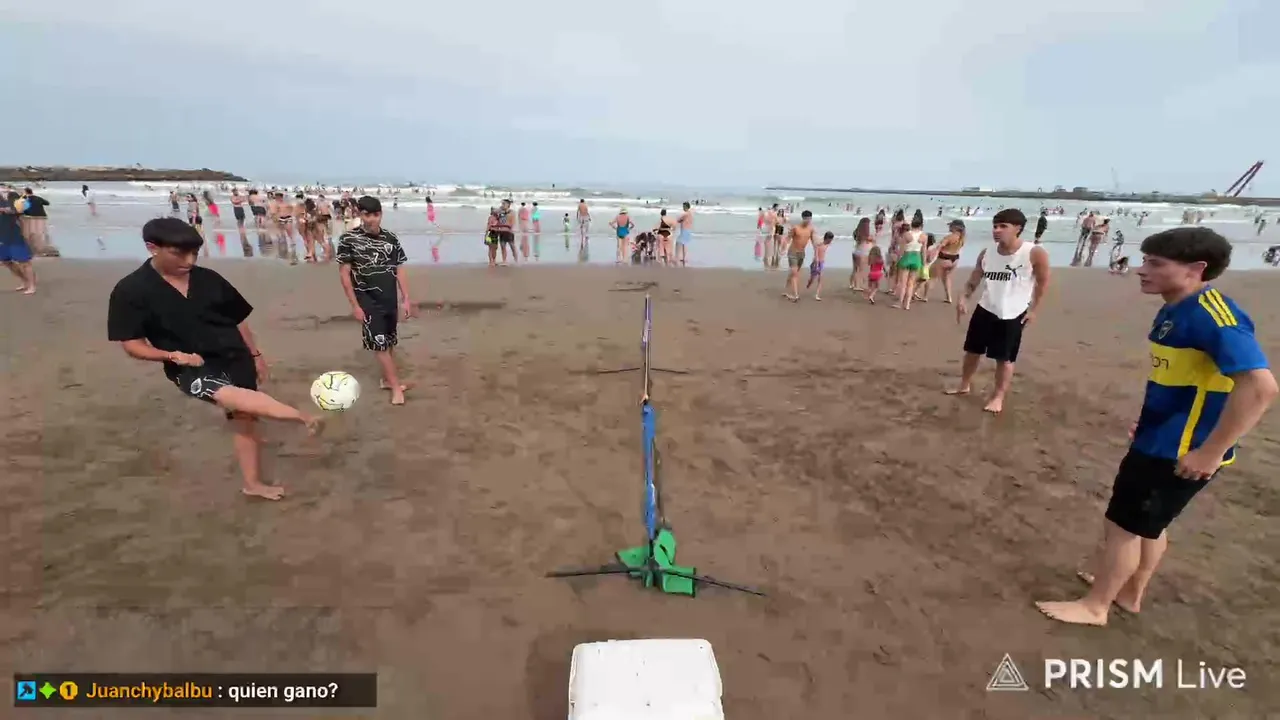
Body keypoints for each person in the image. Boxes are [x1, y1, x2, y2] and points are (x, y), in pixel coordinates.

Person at [1036, 227, 1277, 626]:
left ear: (1195, 269)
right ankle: (1129, 592)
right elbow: (1187, 379)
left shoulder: (1214, 316)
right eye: (1144, 260)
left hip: (1180, 451)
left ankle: (1096, 606)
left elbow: (1260, 387)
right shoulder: (1175, 308)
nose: (1140, 270)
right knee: (1148, 526)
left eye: (1155, 263)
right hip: (1162, 436)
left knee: (1122, 527)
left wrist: (1211, 451)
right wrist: (1154, 419)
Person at [106, 217, 323, 501]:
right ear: (152, 248)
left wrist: (256, 355)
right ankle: (301, 416)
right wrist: (171, 355)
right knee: (232, 397)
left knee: (243, 417)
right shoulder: (130, 291)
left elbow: (238, 320)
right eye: (179, 253)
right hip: (190, 365)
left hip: (235, 354)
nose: (189, 261)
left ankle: (253, 483)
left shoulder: (209, 279)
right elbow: (132, 344)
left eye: (194, 253)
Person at [946, 208, 1051, 414]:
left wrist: (1034, 310)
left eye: (1003, 226)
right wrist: (964, 297)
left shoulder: (1033, 253)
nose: (997, 230)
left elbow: (1043, 282)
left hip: (1013, 312)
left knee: (1004, 358)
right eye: (995, 226)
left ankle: (998, 397)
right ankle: (964, 384)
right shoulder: (987, 253)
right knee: (972, 351)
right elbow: (974, 279)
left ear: (1018, 228)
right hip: (986, 307)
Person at [336, 196, 414, 406]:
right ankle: (396, 388)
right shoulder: (348, 240)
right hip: (367, 301)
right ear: (359, 215)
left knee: (389, 341)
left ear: (381, 214)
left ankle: (387, 380)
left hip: (389, 299)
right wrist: (355, 305)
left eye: (376, 214)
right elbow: (344, 274)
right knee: (380, 345)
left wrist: (406, 298)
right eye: (367, 215)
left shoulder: (391, 238)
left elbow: (399, 268)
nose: (372, 219)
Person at [1, 191, 36, 294]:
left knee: (24, 262)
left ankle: (32, 286)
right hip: (2, 238)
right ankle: (24, 281)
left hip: (14, 237)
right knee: (6, 262)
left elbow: (23, 208)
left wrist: (7, 210)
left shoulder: (11, 200)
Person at [782, 210, 816, 302]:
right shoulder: (796, 228)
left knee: (793, 273)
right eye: (806, 219)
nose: (808, 221)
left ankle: (786, 290)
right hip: (792, 253)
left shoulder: (811, 229)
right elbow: (788, 239)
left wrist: (816, 254)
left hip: (801, 254)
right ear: (803, 218)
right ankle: (795, 295)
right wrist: (783, 249)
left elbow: (814, 242)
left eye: (809, 219)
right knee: (795, 274)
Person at [21, 187, 51, 254]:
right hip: (42, 216)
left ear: (25, 193)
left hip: (31, 217)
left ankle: (32, 248)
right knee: (40, 233)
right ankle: (40, 248)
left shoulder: (24, 199)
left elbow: (23, 208)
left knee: (31, 232)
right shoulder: (38, 198)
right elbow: (47, 203)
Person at [807, 231, 834, 300]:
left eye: (831, 240)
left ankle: (817, 295)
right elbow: (816, 256)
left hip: (821, 263)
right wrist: (816, 265)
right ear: (826, 238)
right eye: (830, 240)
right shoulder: (819, 245)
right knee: (812, 279)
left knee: (820, 279)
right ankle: (809, 283)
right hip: (815, 263)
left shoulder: (827, 244)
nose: (830, 241)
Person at [675, 201, 695, 266]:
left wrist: (679, 220)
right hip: (688, 230)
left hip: (684, 230)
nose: (683, 208)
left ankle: (678, 257)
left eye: (683, 206)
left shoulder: (686, 214)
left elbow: (678, 219)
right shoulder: (691, 213)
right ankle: (683, 258)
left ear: (686, 207)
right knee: (684, 243)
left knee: (679, 242)